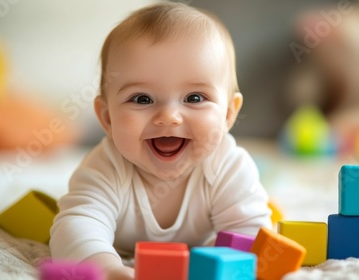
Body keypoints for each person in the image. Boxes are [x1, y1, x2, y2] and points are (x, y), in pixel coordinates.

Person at [49, 2, 272, 279]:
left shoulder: (228, 167)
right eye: (142, 99)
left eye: (194, 98)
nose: (169, 117)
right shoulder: (105, 168)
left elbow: (251, 234)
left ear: (228, 114)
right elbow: (75, 227)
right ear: (107, 118)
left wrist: (208, 266)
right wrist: (108, 268)